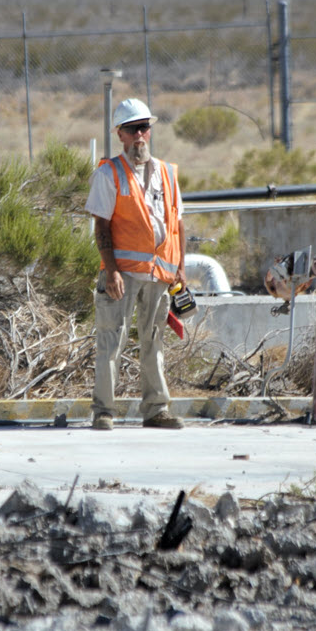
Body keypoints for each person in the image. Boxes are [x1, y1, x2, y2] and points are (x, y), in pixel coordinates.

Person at [85, 98, 186, 431]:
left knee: (153, 343)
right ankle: (104, 412)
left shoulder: (168, 173)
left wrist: (180, 269)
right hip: (122, 275)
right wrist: (111, 270)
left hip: (160, 275)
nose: (141, 134)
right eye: (133, 129)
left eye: (145, 127)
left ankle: (156, 410)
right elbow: (101, 226)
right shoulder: (109, 172)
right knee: (110, 342)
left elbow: (178, 223)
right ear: (121, 134)